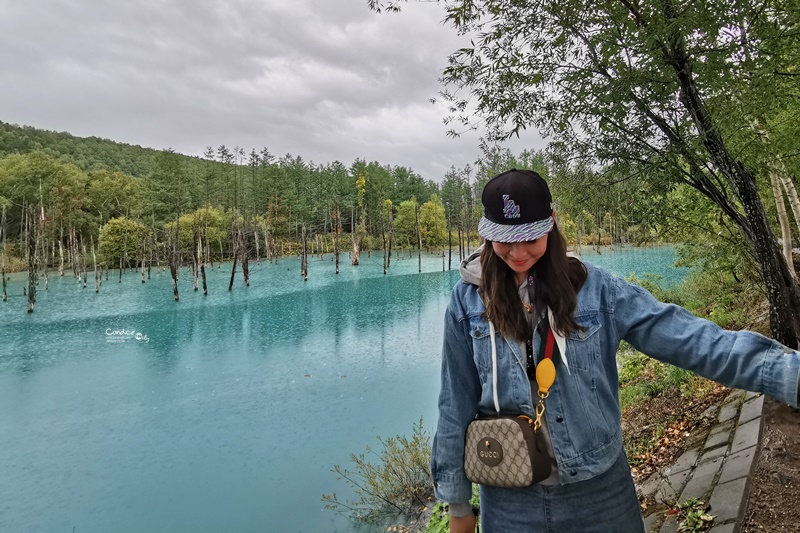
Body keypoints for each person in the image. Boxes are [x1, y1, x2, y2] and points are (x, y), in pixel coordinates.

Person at [431, 168, 800, 532]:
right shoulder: (467, 304)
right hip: (507, 498)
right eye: (504, 239)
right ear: (486, 234)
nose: (517, 252)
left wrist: (785, 373)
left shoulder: (597, 291)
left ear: (552, 222)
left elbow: (691, 340)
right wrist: (458, 504)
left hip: (599, 493)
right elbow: (455, 401)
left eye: (530, 237)